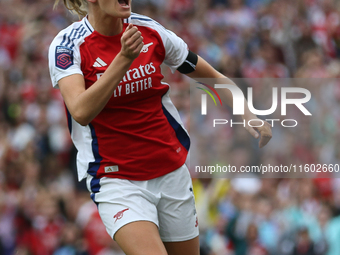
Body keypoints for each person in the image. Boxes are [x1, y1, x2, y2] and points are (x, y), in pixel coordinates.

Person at [48, 0, 272, 254]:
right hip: (117, 180)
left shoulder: (150, 31)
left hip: (170, 171)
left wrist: (247, 113)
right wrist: (123, 59)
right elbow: (80, 111)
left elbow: (214, 77)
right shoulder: (68, 45)